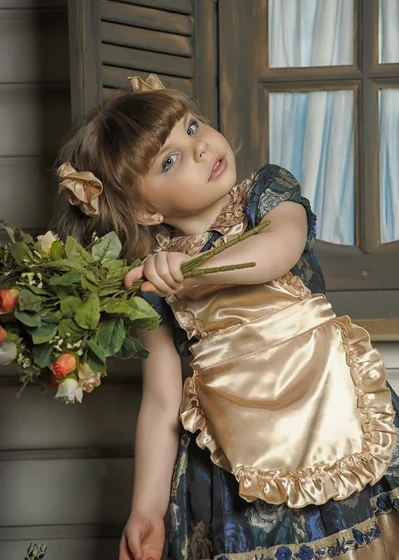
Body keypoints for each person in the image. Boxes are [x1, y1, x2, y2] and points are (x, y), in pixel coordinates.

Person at [53, 74, 399, 560]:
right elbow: (160, 403)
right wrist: (145, 510)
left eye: (192, 127)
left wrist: (189, 272)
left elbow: (277, 251)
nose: (198, 148)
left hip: (335, 412)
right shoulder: (152, 284)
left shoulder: (267, 196)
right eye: (169, 160)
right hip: (239, 459)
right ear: (146, 211)